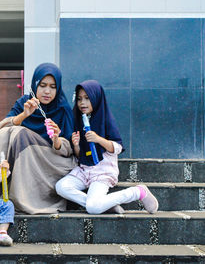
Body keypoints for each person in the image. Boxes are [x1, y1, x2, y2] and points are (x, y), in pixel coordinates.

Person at [55, 80, 159, 214]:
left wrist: (99, 139)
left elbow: (117, 147)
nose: (82, 103)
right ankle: (106, 204)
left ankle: (137, 192)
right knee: (61, 187)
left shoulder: (105, 119)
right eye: (80, 99)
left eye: (87, 98)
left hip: (102, 172)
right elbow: (80, 155)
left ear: (96, 98)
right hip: (84, 170)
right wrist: (76, 145)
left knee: (93, 208)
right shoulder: (79, 120)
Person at [0, 63, 77, 214]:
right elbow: (0, 130)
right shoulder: (24, 102)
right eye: (43, 85)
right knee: (9, 134)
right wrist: (24, 115)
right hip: (23, 157)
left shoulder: (63, 108)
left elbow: (69, 149)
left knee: (21, 135)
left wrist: (56, 139)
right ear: (35, 84)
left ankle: (21, 199)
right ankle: (2, 192)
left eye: (52, 86)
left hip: (51, 160)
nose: (47, 91)